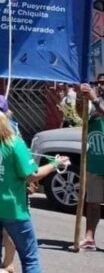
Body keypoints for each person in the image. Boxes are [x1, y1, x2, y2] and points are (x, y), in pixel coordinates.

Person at [0, 94, 69, 273]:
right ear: (8, 114)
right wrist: (55, 164)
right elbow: (32, 175)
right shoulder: (14, 142)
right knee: (29, 256)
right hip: (12, 207)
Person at [80, 81, 104, 250]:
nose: (101, 86)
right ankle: (89, 238)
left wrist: (94, 98)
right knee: (93, 202)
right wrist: (80, 97)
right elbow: (80, 115)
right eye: (99, 83)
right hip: (96, 162)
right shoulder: (94, 103)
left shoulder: (97, 102)